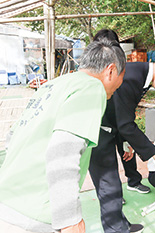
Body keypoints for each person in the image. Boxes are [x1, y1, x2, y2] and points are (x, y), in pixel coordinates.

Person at [0, 40, 126, 233]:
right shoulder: (92, 87)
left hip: (7, 198)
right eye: (120, 80)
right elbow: (63, 154)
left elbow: (11, 138)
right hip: (33, 213)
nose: (118, 87)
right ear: (110, 71)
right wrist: (69, 219)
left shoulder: (51, 86)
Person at [89, 29, 155, 233]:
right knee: (109, 185)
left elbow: (122, 112)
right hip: (98, 131)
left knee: (114, 186)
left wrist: (126, 143)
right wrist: (154, 153)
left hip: (111, 128)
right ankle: (117, 230)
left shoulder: (141, 76)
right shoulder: (130, 77)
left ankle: (120, 225)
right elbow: (125, 123)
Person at [94, 29, 151, 198]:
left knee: (127, 151)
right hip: (103, 120)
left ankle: (134, 181)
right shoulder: (93, 67)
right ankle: (111, 194)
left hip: (121, 116)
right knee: (106, 159)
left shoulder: (121, 65)